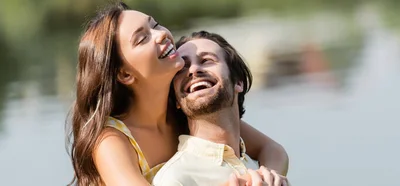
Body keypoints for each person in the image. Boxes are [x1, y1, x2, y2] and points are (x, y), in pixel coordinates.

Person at [68, 2, 288, 186]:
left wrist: (263, 178)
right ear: (125, 74)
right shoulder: (111, 140)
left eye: (154, 25)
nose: (161, 35)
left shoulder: (181, 107)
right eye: (142, 38)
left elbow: (272, 149)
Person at [152, 31, 289, 186]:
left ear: (238, 82)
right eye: (183, 68)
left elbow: (274, 150)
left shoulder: (261, 171)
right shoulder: (175, 179)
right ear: (176, 99)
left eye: (206, 60)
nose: (194, 69)